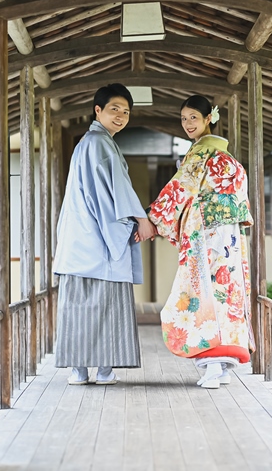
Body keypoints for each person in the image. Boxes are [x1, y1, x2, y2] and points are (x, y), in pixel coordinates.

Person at [53, 84, 158, 386]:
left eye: (126, 111)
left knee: (78, 308)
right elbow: (116, 190)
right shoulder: (100, 143)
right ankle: (104, 371)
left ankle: (78, 371)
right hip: (98, 238)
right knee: (108, 307)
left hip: (79, 239)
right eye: (115, 109)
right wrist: (141, 219)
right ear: (98, 110)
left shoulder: (88, 143)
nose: (121, 116)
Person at [148, 94, 254, 389]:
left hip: (207, 234)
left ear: (209, 118)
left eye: (193, 117)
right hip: (230, 237)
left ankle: (213, 367)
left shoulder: (201, 154)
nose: (187, 124)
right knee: (227, 292)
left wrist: (153, 218)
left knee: (204, 291)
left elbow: (179, 189)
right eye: (183, 119)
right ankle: (223, 366)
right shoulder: (228, 159)